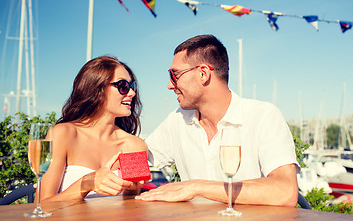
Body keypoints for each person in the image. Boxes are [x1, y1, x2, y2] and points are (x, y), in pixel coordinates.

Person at [136, 35, 300, 207]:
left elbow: (285, 192)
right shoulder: (177, 121)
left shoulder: (263, 116)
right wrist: (109, 174)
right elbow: (140, 161)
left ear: (203, 74)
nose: (170, 85)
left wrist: (197, 187)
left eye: (174, 74)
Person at [40, 55, 148, 201]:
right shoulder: (62, 134)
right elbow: (41, 205)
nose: (132, 93)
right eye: (123, 86)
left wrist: (132, 191)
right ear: (97, 88)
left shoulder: (135, 145)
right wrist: (87, 183)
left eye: (132, 86)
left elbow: (133, 211)